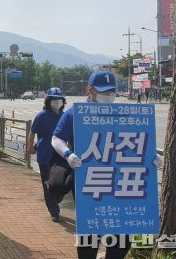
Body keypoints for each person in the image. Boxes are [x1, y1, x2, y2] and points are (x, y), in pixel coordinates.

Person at [51, 71, 130, 259]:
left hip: (118, 182)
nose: (108, 95)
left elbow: (137, 143)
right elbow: (56, 138)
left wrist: (152, 158)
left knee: (121, 235)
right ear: (90, 90)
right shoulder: (75, 113)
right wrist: (68, 154)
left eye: (112, 91)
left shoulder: (122, 114)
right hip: (88, 181)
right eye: (103, 91)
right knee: (90, 232)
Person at [26, 87, 66, 222]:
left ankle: (57, 199)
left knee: (61, 183)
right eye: (53, 99)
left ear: (63, 101)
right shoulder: (42, 116)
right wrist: (31, 146)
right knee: (48, 184)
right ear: (48, 101)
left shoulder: (64, 116)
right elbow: (32, 132)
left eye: (59, 99)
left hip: (61, 155)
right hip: (44, 155)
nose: (56, 102)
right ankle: (54, 210)